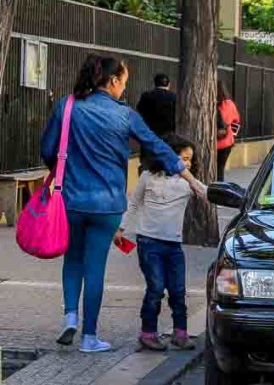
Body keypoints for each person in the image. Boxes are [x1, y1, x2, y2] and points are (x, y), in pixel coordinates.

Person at [41, 56, 206, 353]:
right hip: (107, 206)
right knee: (95, 268)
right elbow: (157, 146)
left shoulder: (67, 107)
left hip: (72, 200)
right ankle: (90, 338)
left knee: (73, 259)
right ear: (113, 80)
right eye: (124, 82)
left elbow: (48, 150)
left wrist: (69, 167)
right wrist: (192, 181)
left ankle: (70, 318)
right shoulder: (125, 115)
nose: (124, 88)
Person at [119, 135, 206, 352]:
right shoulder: (148, 177)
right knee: (156, 288)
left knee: (178, 290)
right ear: (167, 156)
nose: (186, 163)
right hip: (148, 243)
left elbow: (207, 193)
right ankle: (147, 333)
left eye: (189, 160)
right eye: (182, 158)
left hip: (173, 245)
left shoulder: (188, 183)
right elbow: (134, 204)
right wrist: (121, 229)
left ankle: (181, 333)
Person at [216, 81, 241, 182]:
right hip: (227, 142)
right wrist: (232, 135)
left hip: (212, 143)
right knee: (220, 169)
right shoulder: (229, 104)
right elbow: (237, 122)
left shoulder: (207, 104)